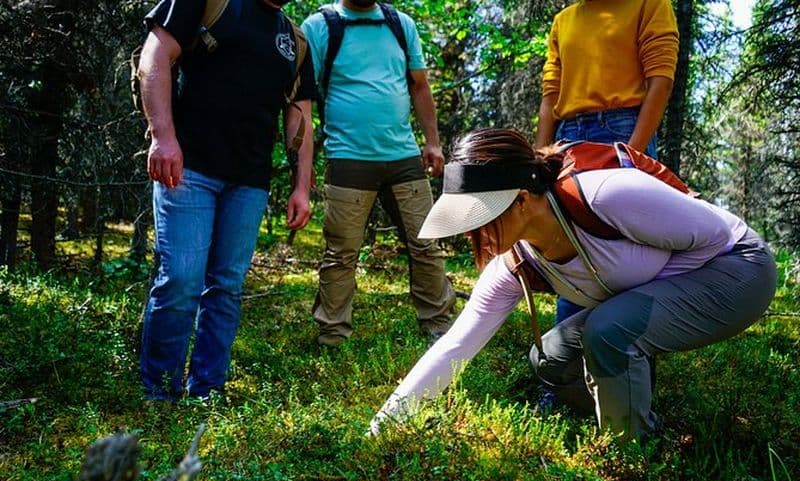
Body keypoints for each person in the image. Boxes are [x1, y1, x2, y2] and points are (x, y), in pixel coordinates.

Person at [369, 128, 777, 441]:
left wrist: (635, 304)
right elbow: (456, 346)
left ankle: (629, 452)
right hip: (675, 289)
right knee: (551, 358)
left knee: (610, 328)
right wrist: (383, 425)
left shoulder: (607, 196)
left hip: (739, 269)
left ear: (523, 199)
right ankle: (633, 416)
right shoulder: (514, 263)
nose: (474, 233)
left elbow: (716, 236)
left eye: (481, 218)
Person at [137, 0, 316, 400]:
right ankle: (160, 393)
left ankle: (207, 390)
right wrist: (162, 137)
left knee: (227, 286)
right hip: (188, 168)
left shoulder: (296, 39)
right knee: (182, 279)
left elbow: (299, 115)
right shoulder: (210, 3)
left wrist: (302, 185)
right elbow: (155, 55)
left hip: (249, 182)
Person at [301, 0, 456, 347]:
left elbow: (419, 86)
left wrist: (432, 142)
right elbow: (302, 98)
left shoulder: (401, 24)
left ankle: (440, 329)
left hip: (403, 156)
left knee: (426, 243)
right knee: (341, 252)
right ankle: (333, 336)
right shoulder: (320, 26)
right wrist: (303, 160)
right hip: (347, 157)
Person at [534, 0, 680, 322]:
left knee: (629, 246)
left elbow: (661, 80)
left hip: (623, 129)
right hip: (567, 137)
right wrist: (538, 159)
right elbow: (550, 96)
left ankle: (626, 353)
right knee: (573, 244)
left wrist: (633, 155)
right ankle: (570, 357)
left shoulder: (649, 4)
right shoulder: (564, 20)